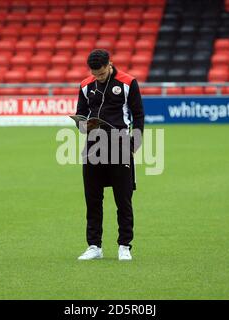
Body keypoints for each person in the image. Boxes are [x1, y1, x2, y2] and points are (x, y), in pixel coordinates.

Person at [75, 49, 144, 261]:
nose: (98, 77)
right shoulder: (86, 86)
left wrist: (135, 143)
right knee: (92, 199)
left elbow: (138, 114)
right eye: (95, 74)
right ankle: (94, 246)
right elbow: (81, 115)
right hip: (93, 147)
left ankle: (124, 245)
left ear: (109, 64)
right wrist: (82, 125)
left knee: (123, 199)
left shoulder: (128, 82)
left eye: (102, 73)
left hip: (121, 146)